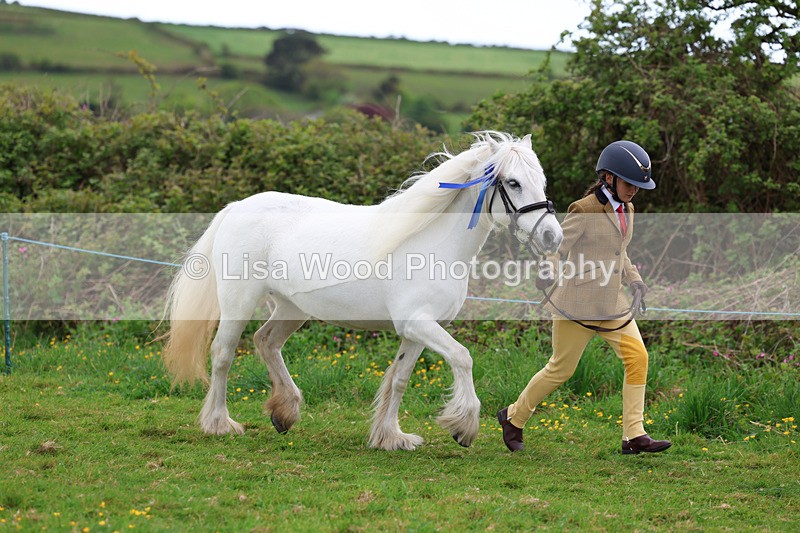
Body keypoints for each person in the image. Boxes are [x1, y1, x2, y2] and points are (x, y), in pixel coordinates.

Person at [497, 140, 671, 455]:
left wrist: (635, 280)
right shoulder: (584, 209)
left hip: (613, 306)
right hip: (576, 306)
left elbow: (620, 252)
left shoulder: (628, 209)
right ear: (608, 178)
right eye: (629, 184)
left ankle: (634, 435)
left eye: (638, 186)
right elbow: (557, 248)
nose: (634, 190)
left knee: (638, 358)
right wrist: (548, 271)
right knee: (560, 370)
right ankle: (513, 417)